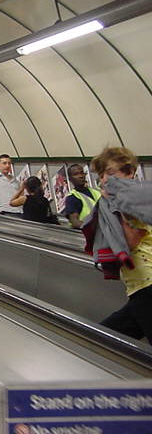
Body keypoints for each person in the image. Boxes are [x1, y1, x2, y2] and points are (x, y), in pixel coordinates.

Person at [81, 147, 152, 344]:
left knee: (101, 341)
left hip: (147, 285)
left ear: (130, 173)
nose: (105, 179)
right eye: (102, 175)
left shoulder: (130, 201)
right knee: (104, 340)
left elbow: (130, 241)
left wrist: (111, 207)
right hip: (140, 287)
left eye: (111, 173)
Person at [64, 163, 101, 229]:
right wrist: (92, 228)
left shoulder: (96, 192)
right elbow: (75, 222)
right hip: (91, 232)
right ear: (70, 179)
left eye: (82, 173)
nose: (80, 176)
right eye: (76, 174)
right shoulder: (72, 198)